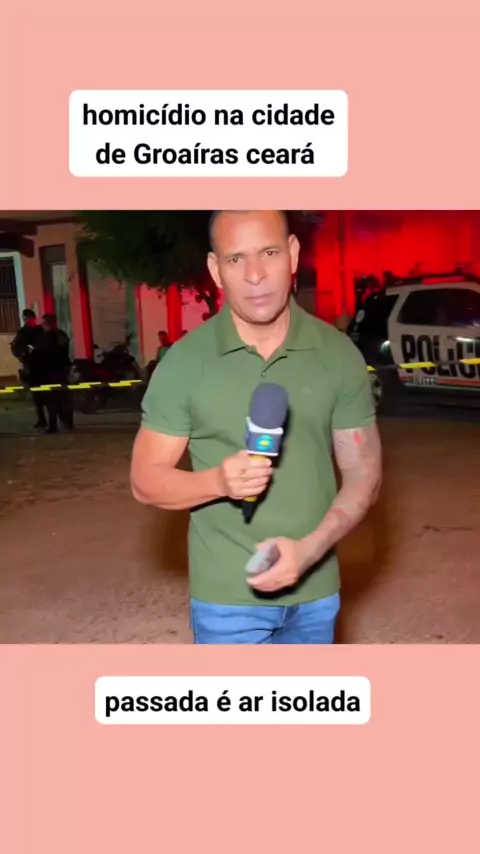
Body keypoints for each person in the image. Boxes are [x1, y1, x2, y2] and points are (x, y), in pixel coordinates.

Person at [131, 210, 382, 645]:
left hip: (317, 593)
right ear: (215, 270)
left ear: (292, 254)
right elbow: (145, 481)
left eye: (268, 253)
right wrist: (218, 481)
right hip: (226, 600)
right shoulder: (184, 364)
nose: (254, 275)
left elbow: (364, 473)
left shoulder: (339, 355)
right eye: (236, 259)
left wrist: (310, 550)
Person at [10, 308, 47, 429]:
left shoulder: (40, 330)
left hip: (44, 366)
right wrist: (21, 355)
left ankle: (51, 419)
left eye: (29, 319)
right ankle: (42, 418)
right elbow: (15, 347)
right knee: (36, 396)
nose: (27, 321)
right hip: (31, 366)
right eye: (25, 319)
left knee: (49, 394)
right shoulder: (22, 332)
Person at [39, 314, 74, 433]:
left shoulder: (51, 336)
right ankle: (66, 422)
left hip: (53, 371)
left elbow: (47, 354)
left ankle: (54, 425)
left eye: (44, 323)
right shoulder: (60, 335)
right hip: (59, 370)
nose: (43, 326)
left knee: (53, 400)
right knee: (63, 398)